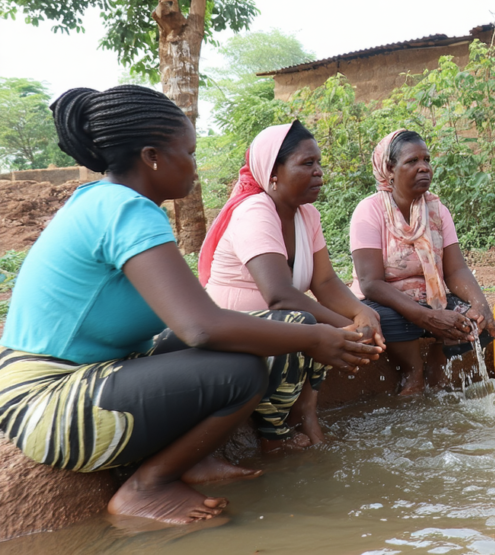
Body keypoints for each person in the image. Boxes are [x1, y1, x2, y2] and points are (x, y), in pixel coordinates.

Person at [0, 85, 381, 525]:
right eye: (190, 153)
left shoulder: (111, 203)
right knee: (240, 372)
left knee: (259, 338)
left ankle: (187, 459)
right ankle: (148, 486)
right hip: (46, 404)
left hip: (82, 374)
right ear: (152, 156)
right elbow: (201, 326)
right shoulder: (126, 210)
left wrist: (311, 332)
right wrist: (315, 336)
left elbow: (195, 320)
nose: (196, 167)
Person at [199, 121, 384, 452]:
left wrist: (361, 312)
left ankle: (306, 409)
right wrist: (346, 326)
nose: (319, 173)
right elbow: (280, 296)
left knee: (319, 322)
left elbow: (325, 282)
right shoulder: (255, 212)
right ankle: (273, 433)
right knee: (307, 322)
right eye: (307, 163)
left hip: (274, 325)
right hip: (230, 331)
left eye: (319, 163)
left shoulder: (307, 216)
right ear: (273, 174)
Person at [350, 129, 495, 395]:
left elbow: (456, 270)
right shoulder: (369, 211)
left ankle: (437, 364)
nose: (424, 168)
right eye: (412, 162)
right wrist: (428, 317)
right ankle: (412, 371)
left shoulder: (437, 210)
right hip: (384, 300)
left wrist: (481, 305)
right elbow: (370, 283)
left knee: (478, 325)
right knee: (388, 319)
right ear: (389, 169)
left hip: (430, 298)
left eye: (427, 160)